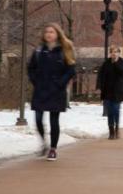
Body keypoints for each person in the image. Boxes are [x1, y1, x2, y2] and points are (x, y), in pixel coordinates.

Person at [28, 23, 76, 161]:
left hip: (57, 90)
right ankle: (44, 143)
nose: (49, 34)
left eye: (52, 32)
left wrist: (60, 83)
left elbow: (71, 70)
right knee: (38, 119)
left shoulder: (64, 50)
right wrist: (35, 81)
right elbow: (31, 68)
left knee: (54, 120)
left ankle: (53, 149)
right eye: (47, 32)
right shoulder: (38, 51)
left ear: (57, 34)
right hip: (41, 90)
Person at [97, 45, 123, 140]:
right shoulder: (106, 63)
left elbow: (121, 72)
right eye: (112, 52)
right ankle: (111, 131)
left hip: (117, 91)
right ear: (110, 53)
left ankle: (117, 128)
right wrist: (99, 87)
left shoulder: (121, 62)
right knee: (109, 112)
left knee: (116, 110)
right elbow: (101, 75)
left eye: (116, 52)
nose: (114, 53)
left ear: (118, 53)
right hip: (107, 91)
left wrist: (115, 62)